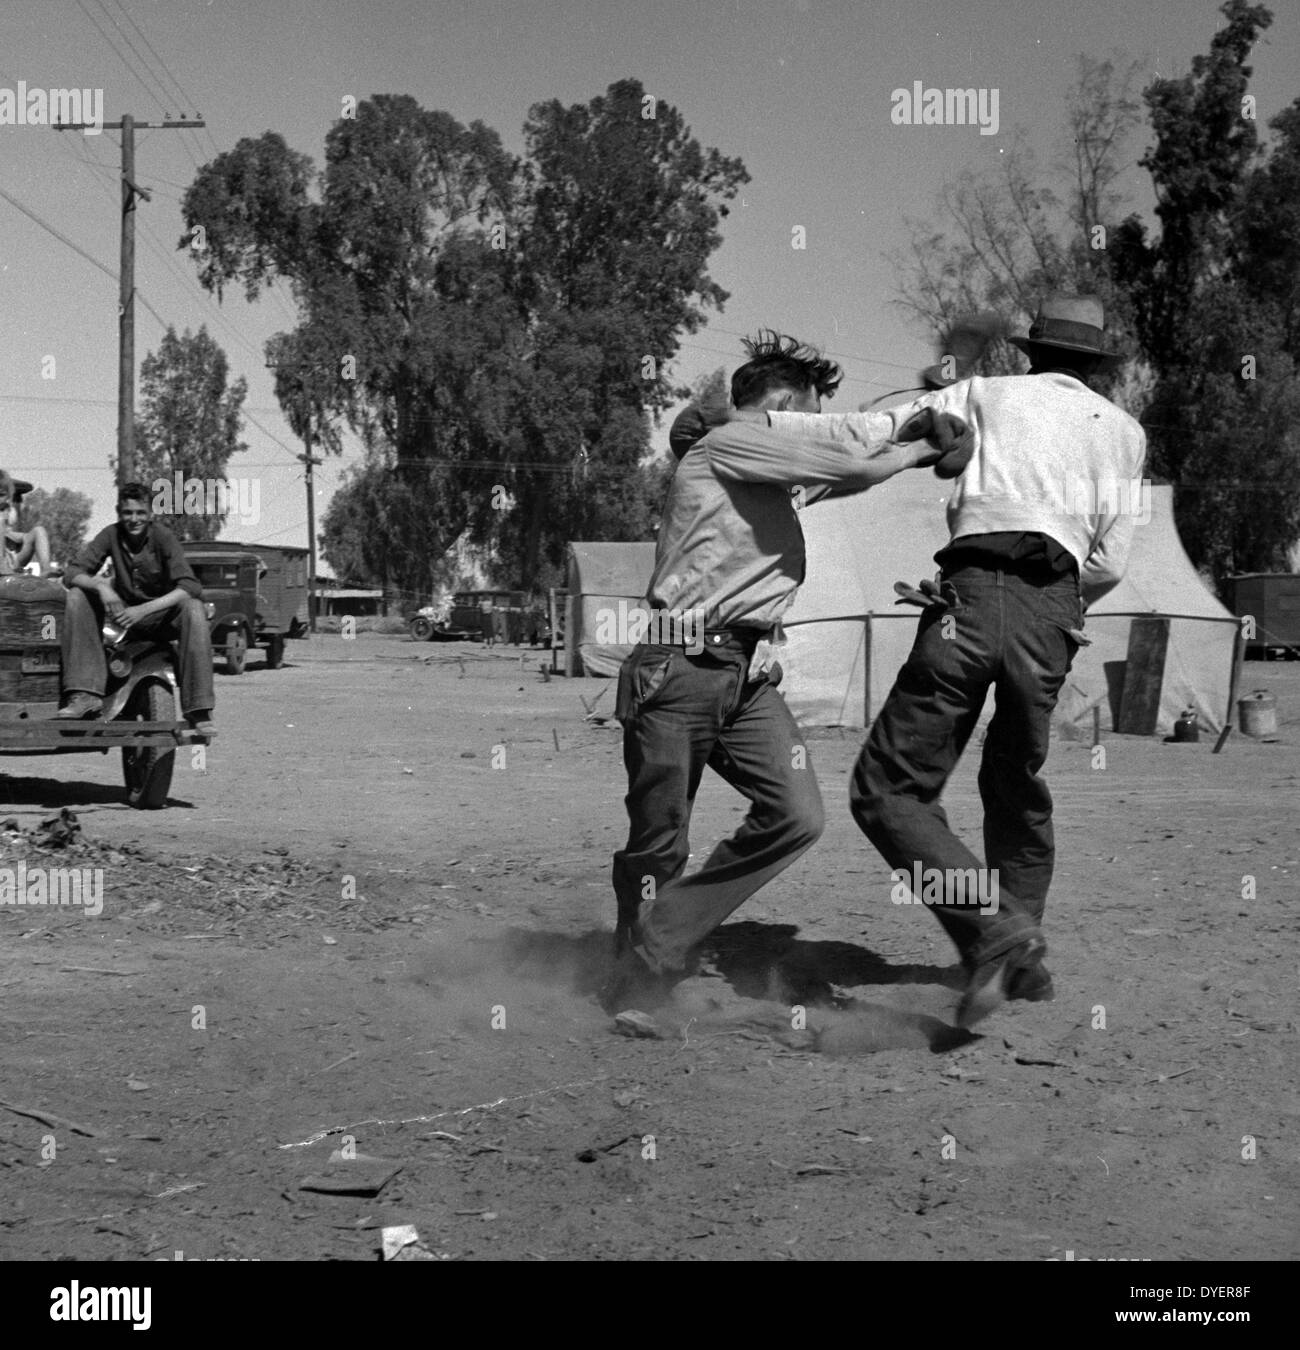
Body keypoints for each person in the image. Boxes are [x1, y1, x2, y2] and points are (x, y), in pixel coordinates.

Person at [763, 294, 1146, 1026]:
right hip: (1056, 609)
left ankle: (995, 931)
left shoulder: (982, 394)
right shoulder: (1124, 433)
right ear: (1095, 364)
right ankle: (1019, 958)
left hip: (970, 594)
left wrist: (763, 426)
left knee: (891, 790)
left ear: (1032, 351)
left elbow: (867, 429)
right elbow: (1111, 562)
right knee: (1015, 783)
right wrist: (1054, 608)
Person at [604, 331, 972, 1012]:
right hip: (679, 662)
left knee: (797, 814)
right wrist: (921, 448)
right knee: (659, 843)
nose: (811, 426)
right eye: (806, 412)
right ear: (779, 404)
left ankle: (656, 943)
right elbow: (852, 466)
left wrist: (912, 428)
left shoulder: (764, 471)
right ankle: (636, 972)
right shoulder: (730, 443)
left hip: (741, 673)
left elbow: (835, 473)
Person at [56, 481, 216, 734]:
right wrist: (102, 588)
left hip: (161, 619)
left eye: (140, 513)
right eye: (128, 513)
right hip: (123, 618)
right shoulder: (110, 534)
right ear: (119, 512)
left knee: (194, 608)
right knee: (77, 594)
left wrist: (144, 610)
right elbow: (73, 572)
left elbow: (190, 585)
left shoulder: (163, 537)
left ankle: (199, 709)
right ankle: (85, 694)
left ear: (150, 514)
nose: (134, 519)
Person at [0, 472, 51, 576]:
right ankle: (1, 565)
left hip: (12, 556)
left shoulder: (9, 511)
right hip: (3, 558)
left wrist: (17, 536)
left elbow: (10, 533)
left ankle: (46, 568)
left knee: (39, 530)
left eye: (2, 495)